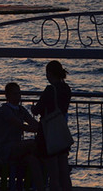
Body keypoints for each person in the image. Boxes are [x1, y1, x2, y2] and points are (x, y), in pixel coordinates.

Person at [0, 82, 45, 190]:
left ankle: (40, 187)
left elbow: (32, 122)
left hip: (16, 147)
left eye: (19, 94)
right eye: (15, 94)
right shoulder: (5, 110)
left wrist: (42, 126)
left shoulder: (21, 109)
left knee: (33, 160)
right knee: (33, 144)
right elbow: (20, 125)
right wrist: (41, 130)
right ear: (7, 96)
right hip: (5, 148)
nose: (18, 96)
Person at [32, 60, 73, 191]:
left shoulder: (50, 89)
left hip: (49, 134)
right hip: (61, 131)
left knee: (53, 175)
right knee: (64, 173)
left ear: (50, 73)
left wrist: (33, 108)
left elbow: (38, 109)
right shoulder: (66, 88)